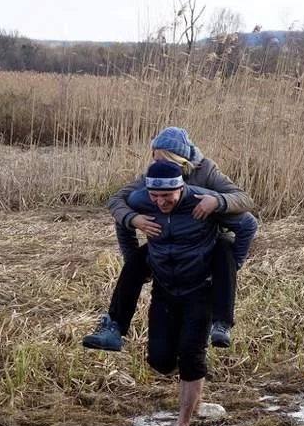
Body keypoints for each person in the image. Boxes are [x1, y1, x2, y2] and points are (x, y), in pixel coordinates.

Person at [83, 127, 254, 352]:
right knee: (137, 260)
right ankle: (113, 328)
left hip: (205, 241)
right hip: (166, 242)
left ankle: (221, 323)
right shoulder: (155, 175)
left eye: (159, 159)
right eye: (154, 159)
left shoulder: (206, 171)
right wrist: (133, 219)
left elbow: (244, 201)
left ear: (177, 159)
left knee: (224, 248)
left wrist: (218, 201)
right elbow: (117, 200)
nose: (155, 164)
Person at [124, 160, 257, 426]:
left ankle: (183, 423)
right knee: (159, 360)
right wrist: (135, 259)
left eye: (167, 195)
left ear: (180, 188)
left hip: (201, 290)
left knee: (190, 354)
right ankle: (192, 378)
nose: (161, 202)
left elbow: (248, 224)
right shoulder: (142, 202)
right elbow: (119, 213)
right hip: (165, 290)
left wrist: (232, 265)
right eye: (155, 196)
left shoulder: (201, 203)